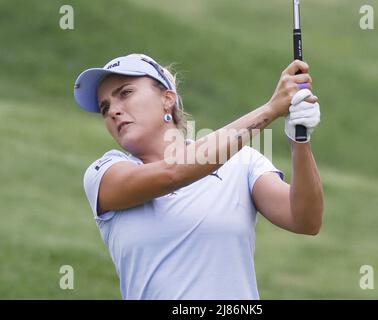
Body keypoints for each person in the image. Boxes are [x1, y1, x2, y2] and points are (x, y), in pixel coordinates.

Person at [73, 53, 324, 300]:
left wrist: (299, 139)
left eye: (125, 93)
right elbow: (173, 172)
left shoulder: (241, 161)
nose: (113, 111)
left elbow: (305, 220)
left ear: (167, 99)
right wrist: (270, 109)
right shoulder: (103, 173)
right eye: (105, 107)